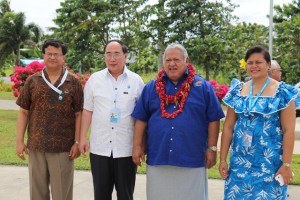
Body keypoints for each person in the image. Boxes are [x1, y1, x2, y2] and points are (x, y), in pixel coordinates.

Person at [132, 43, 225, 200]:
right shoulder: (152, 87)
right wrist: (137, 147)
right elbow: (141, 119)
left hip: (192, 156)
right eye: (168, 60)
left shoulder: (202, 87)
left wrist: (212, 148)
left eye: (176, 59)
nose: (172, 64)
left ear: (186, 60)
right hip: (158, 155)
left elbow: (213, 119)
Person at [219, 45, 298, 199]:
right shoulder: (237, 91)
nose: (254, 66)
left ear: (268, 65)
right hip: (239, 164)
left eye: (258, 62)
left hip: (270, 165)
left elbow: (289, 130)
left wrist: (286, 165)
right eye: (250, 62)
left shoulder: (283, 93)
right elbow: (228, 127)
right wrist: (222, 159)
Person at [16, 38, 83, 200]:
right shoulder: (33, 81)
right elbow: (24, 111)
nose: (52, 57)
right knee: (37, 192)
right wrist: (19, 141)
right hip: (36, 144)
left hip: (63, 147)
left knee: (62, 193)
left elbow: (79, 114)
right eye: (49, 54)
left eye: (56, 54)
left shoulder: (73, 82)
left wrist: (76, 142)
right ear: (43, 55)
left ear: (64, 57)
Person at [78, 40, 144, 200]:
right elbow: (87, 110)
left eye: (116, 54)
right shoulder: (94, 80)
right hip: (100, 148)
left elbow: (142, 117)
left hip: (126, 149)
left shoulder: (136, 81)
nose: (112, 58)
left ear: (125, 56)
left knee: (126, 195)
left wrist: (140, 146)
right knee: (100, 195)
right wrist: (82, 139)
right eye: (108, 54)